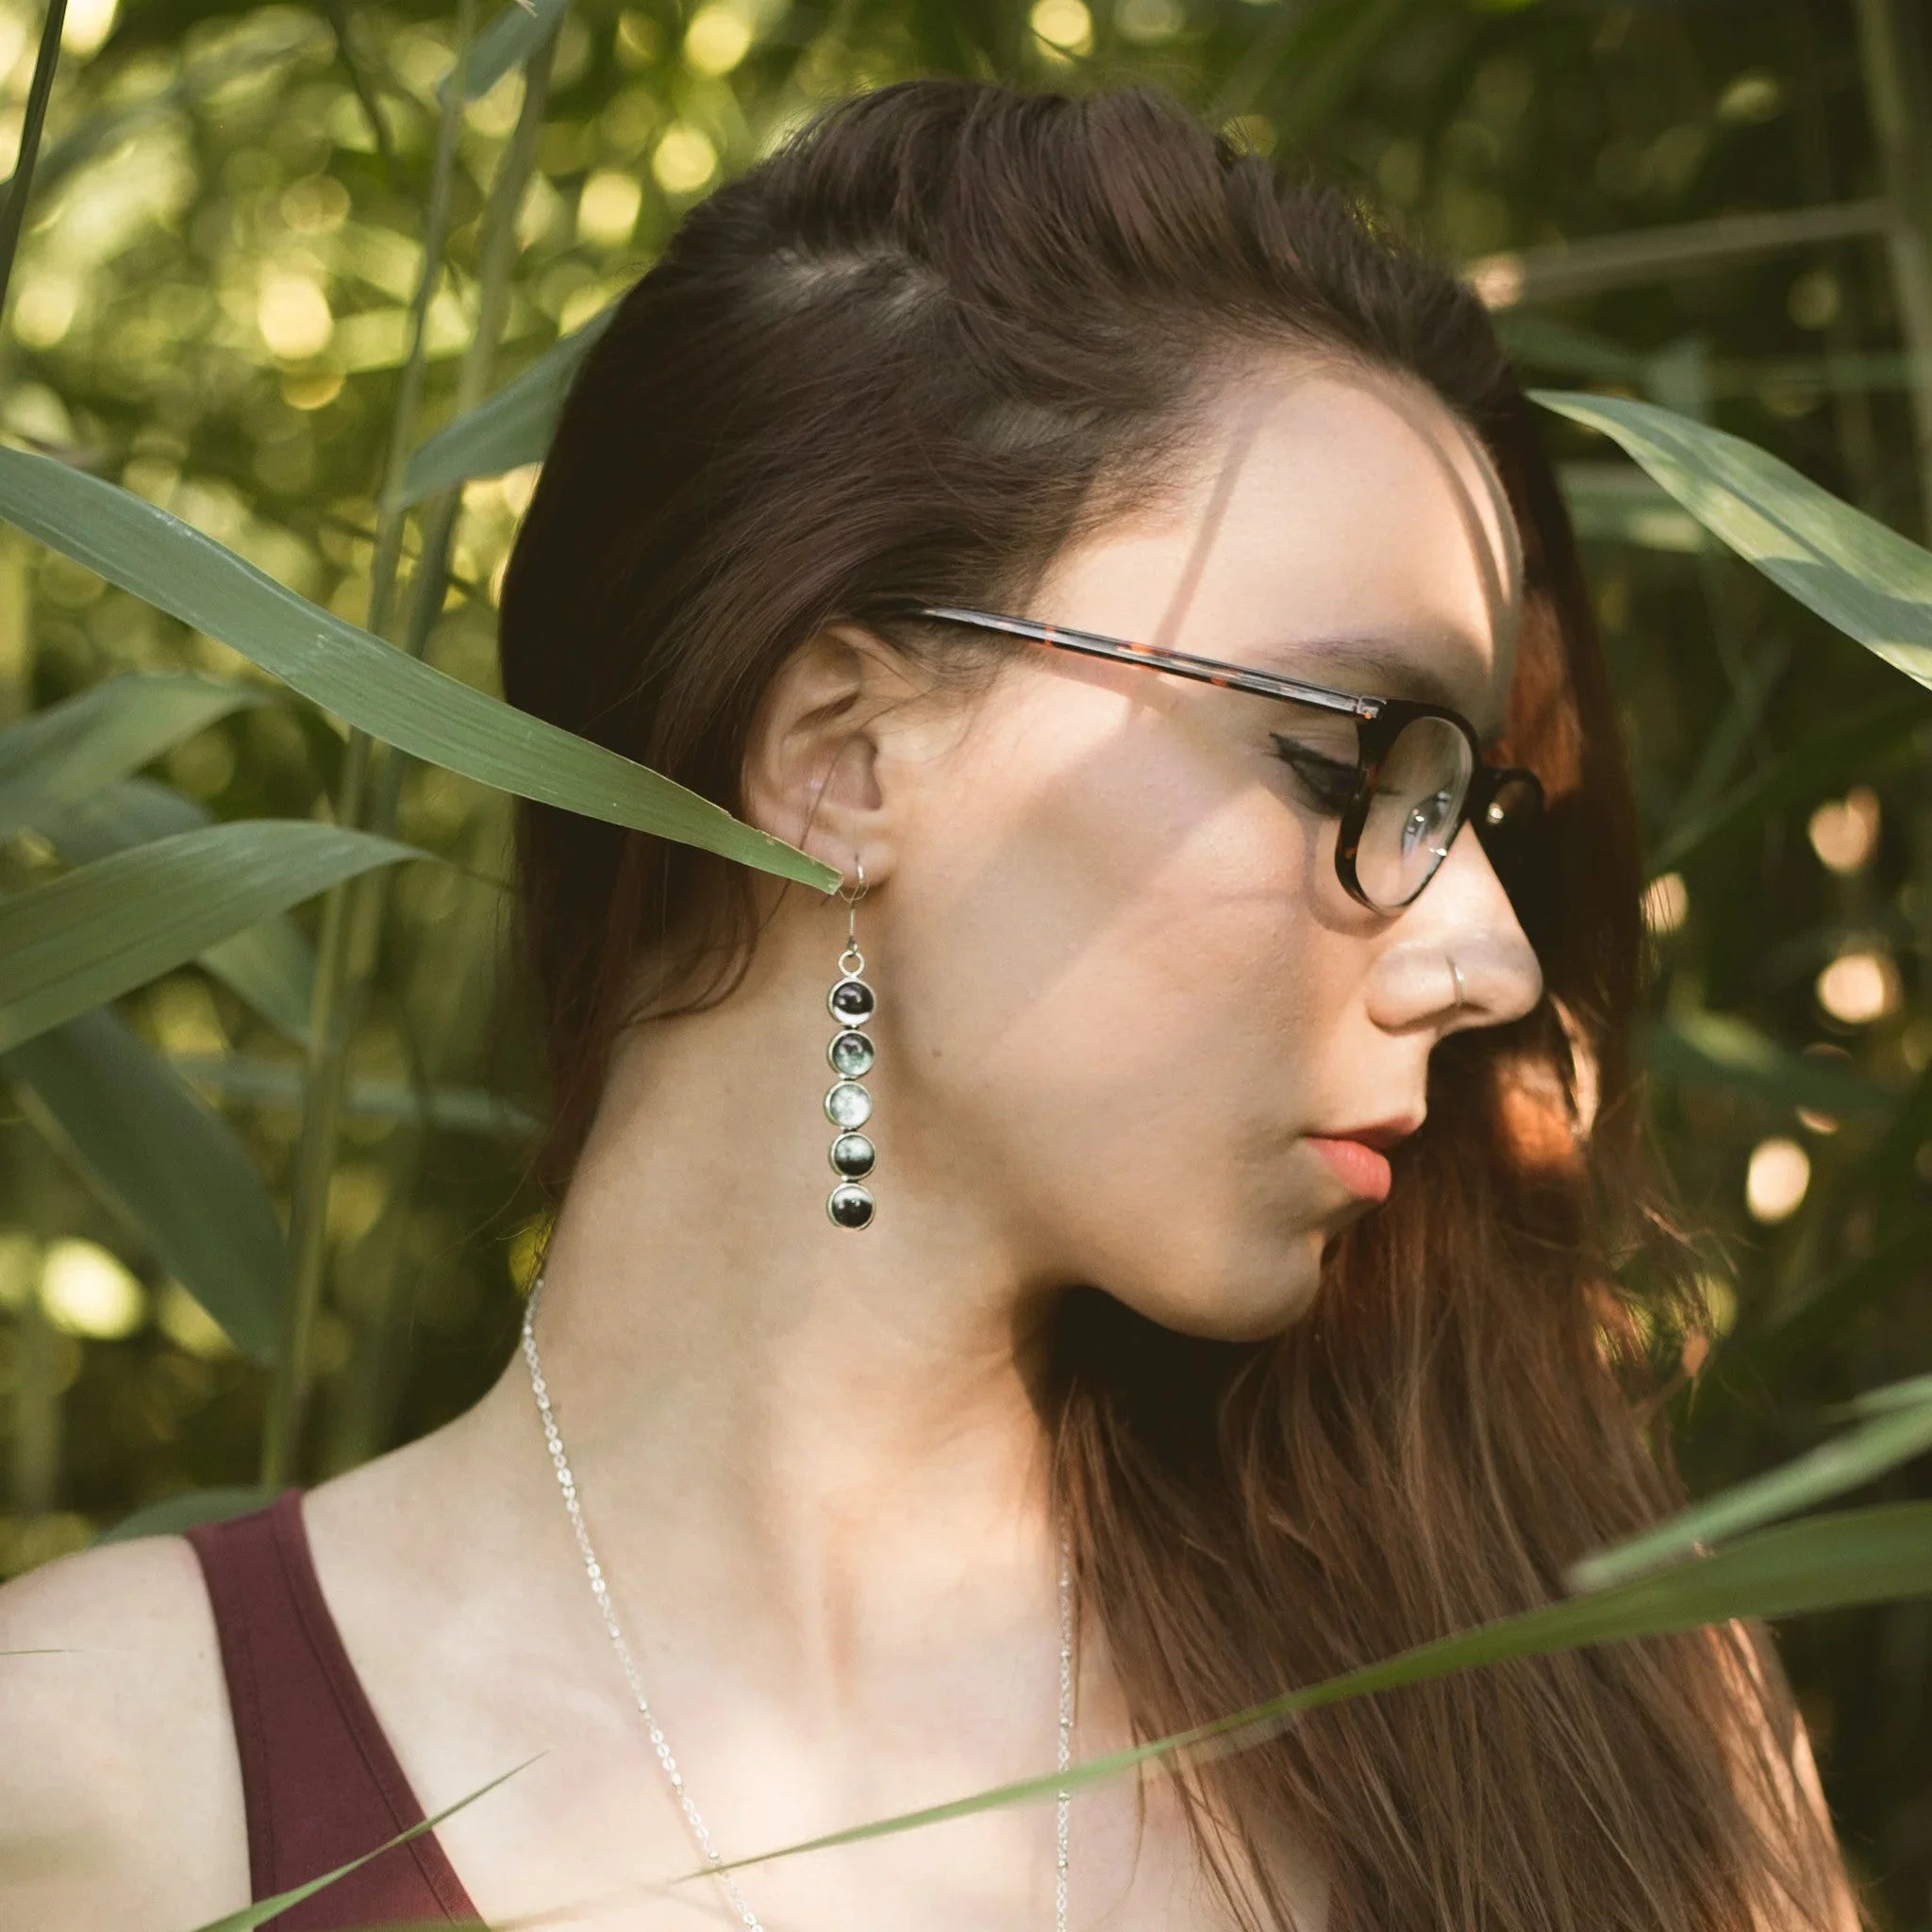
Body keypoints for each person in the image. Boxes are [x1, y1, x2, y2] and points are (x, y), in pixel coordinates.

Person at [0, 75, 1863, 1932]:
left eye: (1472, 812)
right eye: (1356, 761)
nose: (1492, 955)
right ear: (843, 753)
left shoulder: (1590, 1708)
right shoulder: (96, 1785)